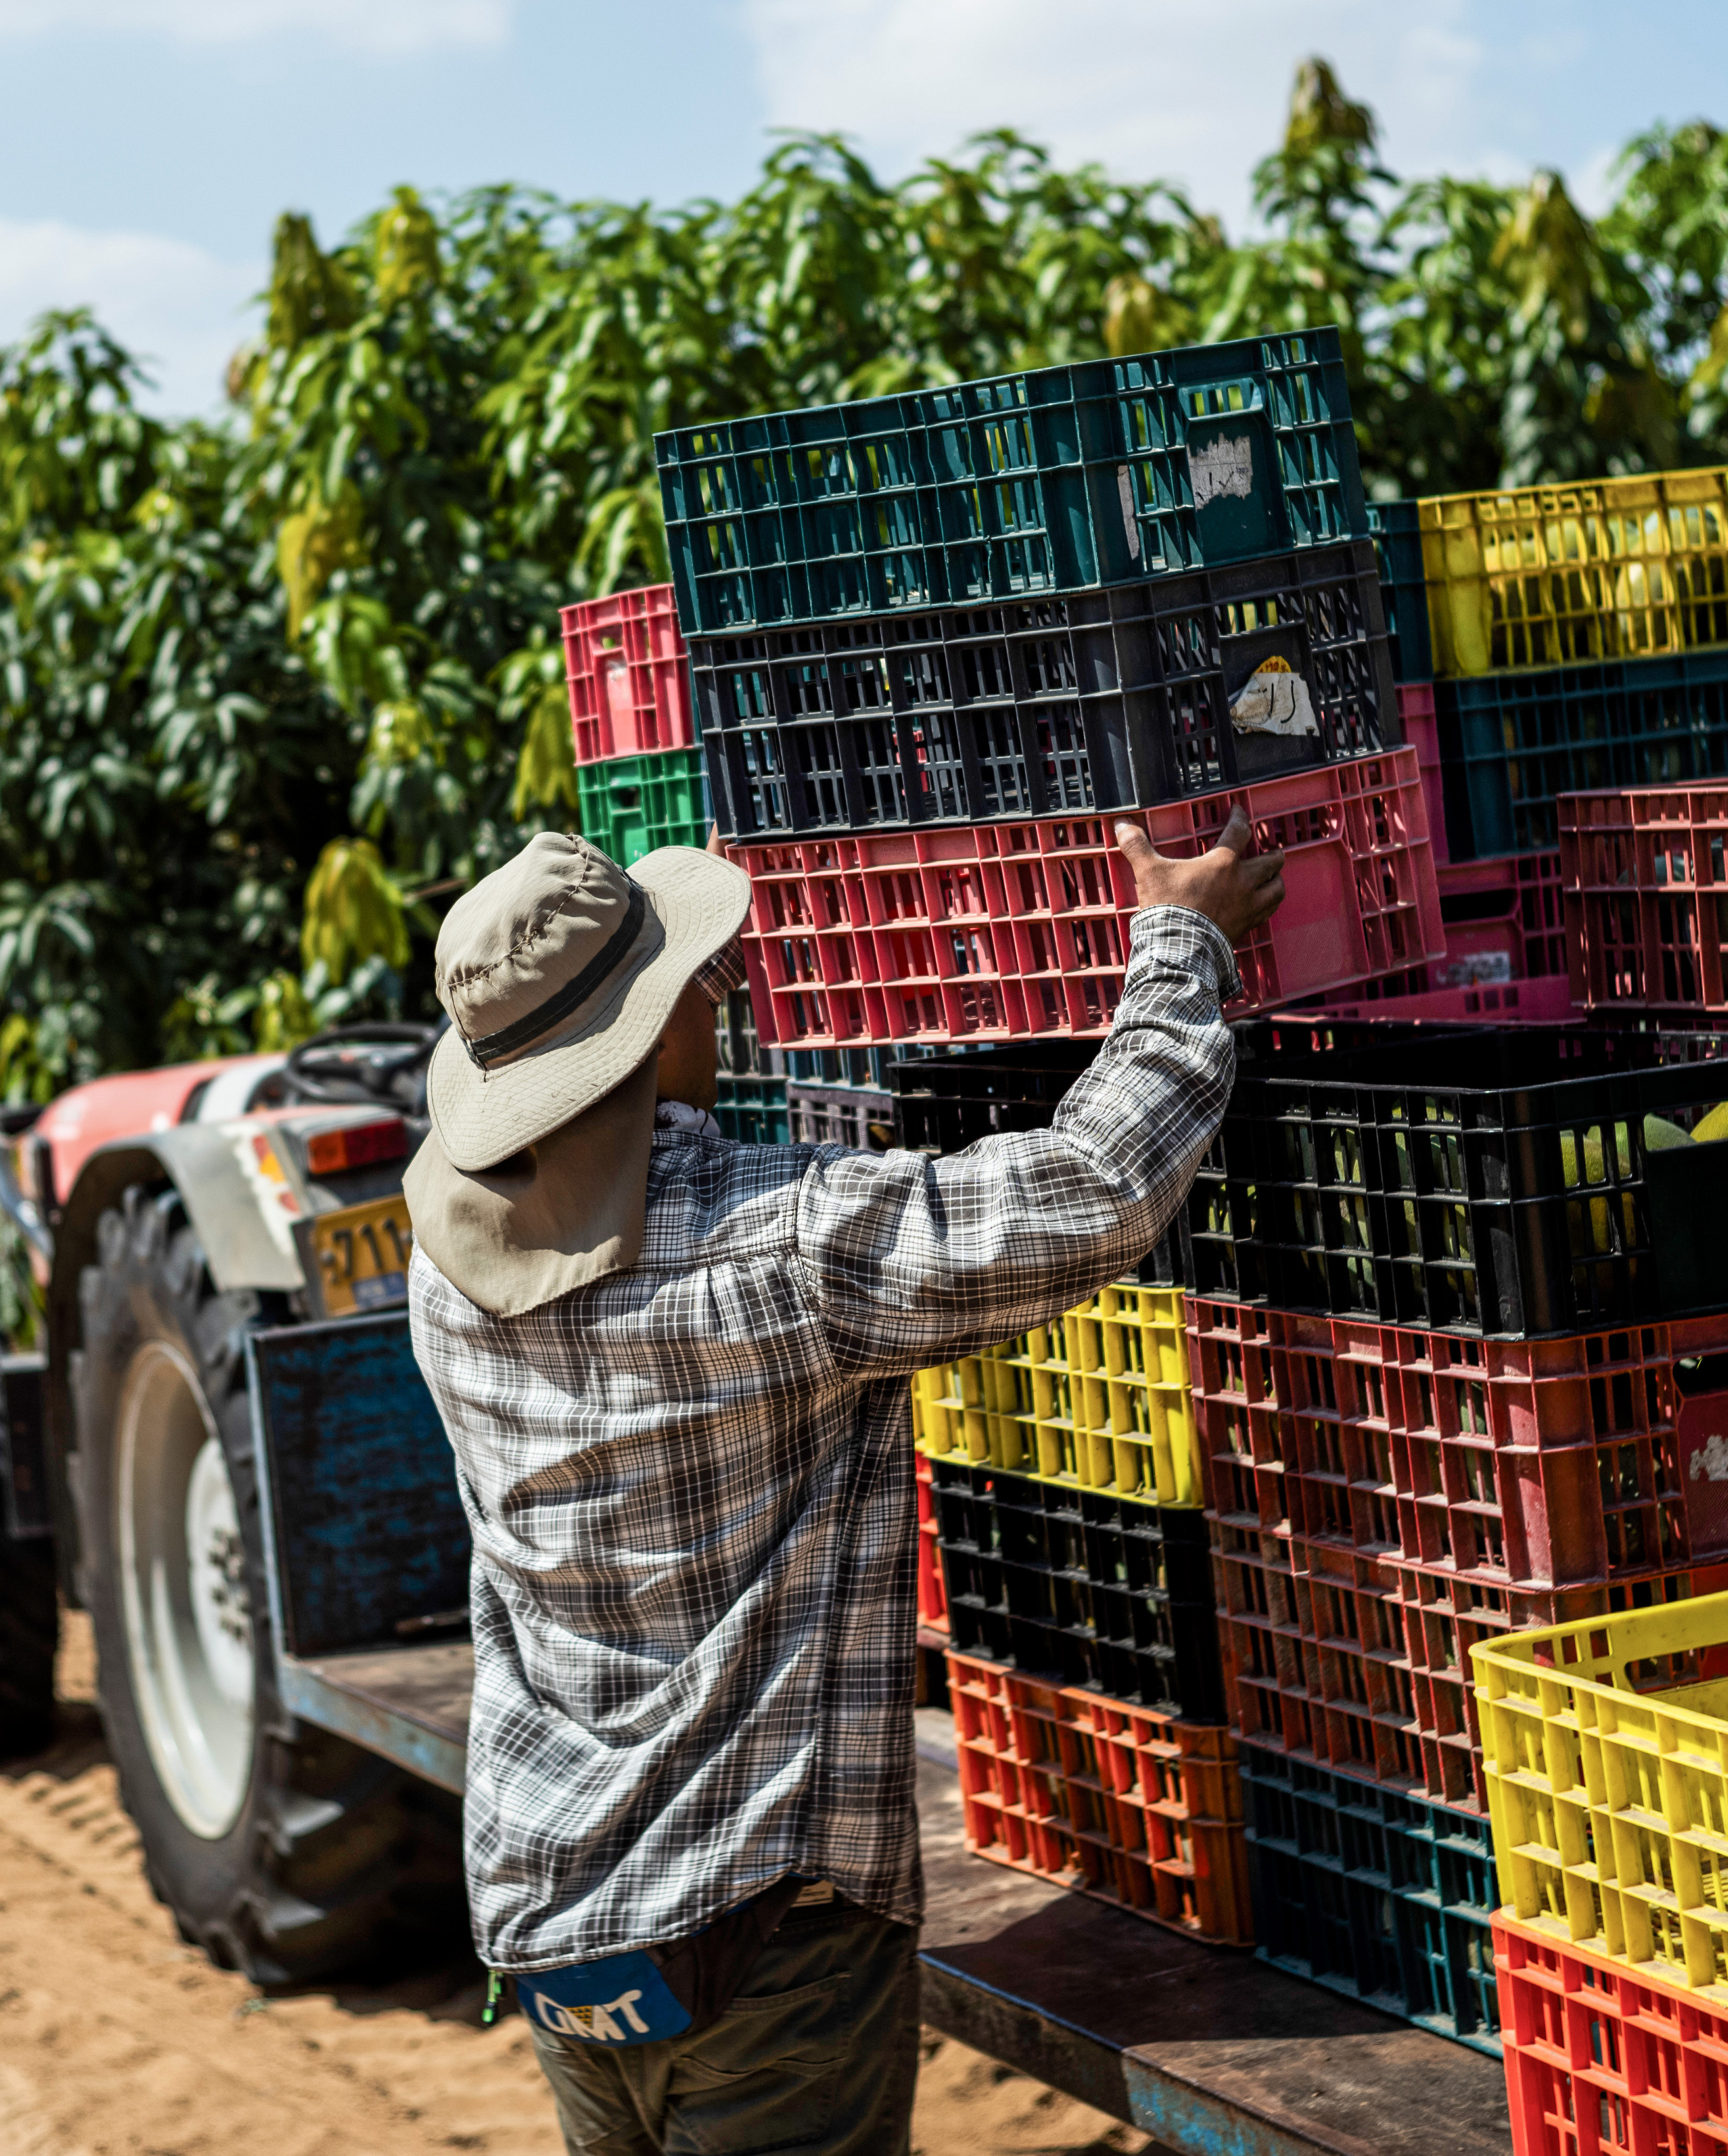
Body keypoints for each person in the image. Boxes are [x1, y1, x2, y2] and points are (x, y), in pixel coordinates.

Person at [402, 809, 1285, 2156]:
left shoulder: (444, 1277)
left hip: (553, 1924)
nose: (719, 1001)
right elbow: (1095, 1192)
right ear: (649, 1041)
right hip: (757, 1945)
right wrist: (1181, 949)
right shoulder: (778, 1252)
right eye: (696, 984)